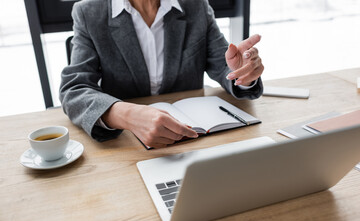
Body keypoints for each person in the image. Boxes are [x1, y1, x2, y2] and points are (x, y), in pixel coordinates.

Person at [60, 0, 264, 148]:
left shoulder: (196, 6)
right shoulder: (89, 12)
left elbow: (223, 64)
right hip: (128, 144)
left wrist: (243, 72)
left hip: (194, 140)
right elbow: (74, 89)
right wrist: (127, 115)